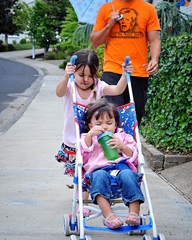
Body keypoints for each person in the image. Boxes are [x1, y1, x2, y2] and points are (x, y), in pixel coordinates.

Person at [55, 48, 133, 216]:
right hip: (74, 138)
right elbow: (59, 92)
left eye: (90, 76)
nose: (86, 80)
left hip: (97, 141)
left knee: (91, 169)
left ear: (96, 74)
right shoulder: (70, 85)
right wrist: (65, 76)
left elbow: (117, 90)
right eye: (81, 75)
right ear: (74, 71)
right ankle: (82, 202)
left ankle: (85, 200)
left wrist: (124, 75)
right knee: (79, 171)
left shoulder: (99, 86)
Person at [90, 0, 161, 126]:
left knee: (134, 119)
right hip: (113, 70)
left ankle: (131, 149)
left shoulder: (148, 9)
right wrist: (109, 24)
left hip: (138, 71)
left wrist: (155, 59)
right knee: (112, 116)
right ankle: (113, 150)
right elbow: (95, 42)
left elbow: (154, 39)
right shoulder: (107, 9)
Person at [80, 99, 144, 229]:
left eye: (109, 123)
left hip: (120, 167)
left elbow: (133, 156)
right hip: (98, 169)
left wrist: (122, 146)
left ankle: (134, 213)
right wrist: (89, 136)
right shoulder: (87, 138)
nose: (104, 127)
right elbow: (83, 155)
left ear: (115, 125)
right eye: (99, 123)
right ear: (91, 126)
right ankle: (108, 215)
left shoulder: (123, 136)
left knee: (129, 175)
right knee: (98, 177)